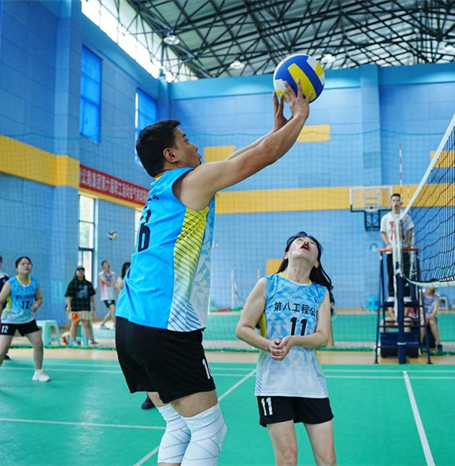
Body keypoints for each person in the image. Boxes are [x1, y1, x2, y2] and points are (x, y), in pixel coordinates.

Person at [115, 80, 311, 466]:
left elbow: (242, 156)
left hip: (130, 325)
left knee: (178, 426)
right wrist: (300, 116)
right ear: (171, 154)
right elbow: (265, 156)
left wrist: (275, 130)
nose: (194, 144)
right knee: (209, 431)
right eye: (186, 140)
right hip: (165, 326)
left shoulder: (162, 189)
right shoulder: (191, 181)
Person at [235, 232, 336, 466]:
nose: (305, 242)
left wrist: (294, 341)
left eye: (312, 243)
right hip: (274, 383)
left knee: (328, 460)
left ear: (317, 262)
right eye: (299, 241)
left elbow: (323, 337)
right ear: (286, 254)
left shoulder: (320, 292)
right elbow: (242, 328)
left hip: (311, 383)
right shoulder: (268, 284)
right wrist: (268, 344)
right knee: (288, 459)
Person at [0, 257, 50, 389]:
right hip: (9, 319)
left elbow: (39, 298)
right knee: (3, 349)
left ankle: (38, 372)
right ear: (17, 268)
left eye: (28, 264)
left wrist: (36, 305)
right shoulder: (11, 283)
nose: (26, 266)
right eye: (23, 264)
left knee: (38, 344)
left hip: (27, 319)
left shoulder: (35, 283)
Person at [379, 193, 415, 302]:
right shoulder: (385, 218)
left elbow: (410, 230)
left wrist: (408, 243)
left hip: (403, 250)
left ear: (401, 203)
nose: (395, 203)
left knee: (405, 273)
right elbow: (383, 232)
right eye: (393, 200)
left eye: (397, 200)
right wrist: (388, 244)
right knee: (391, 273)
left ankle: (406, 295)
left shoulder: (406, 216)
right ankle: (391, 295)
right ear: (390, 203)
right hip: (391, 252)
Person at [65, 267, 99, 346]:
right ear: (76, 272)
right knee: (74, 324)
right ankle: (73, 340)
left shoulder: (88, 284)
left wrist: (94, 305)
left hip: (85, 307)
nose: (80, 272)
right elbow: (68, 296)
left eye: (82, 271)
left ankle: (91, 340)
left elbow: (92, 296)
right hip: (75, 308)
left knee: (86, 324)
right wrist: (69, 306)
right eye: (79, 271)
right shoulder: (72, 283)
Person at [420, 287, 442, 352]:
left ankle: (438, 343)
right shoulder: (421, 293)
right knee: (423, 322)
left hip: (432, 316)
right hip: (422, 315)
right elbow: (420, 306)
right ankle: (420, 343)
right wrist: (425, 315)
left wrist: (431, 316)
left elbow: (435, 309)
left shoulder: (437, 296)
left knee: (432, 322)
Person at [99, 261, 118, 329]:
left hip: (112, 296)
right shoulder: (101, 274)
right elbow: (105, 281)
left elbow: (115, 283)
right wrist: (112, 285)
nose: (107, 265)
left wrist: (116, 286)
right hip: (105, 296)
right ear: (103, 266)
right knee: (112, 308)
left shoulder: (113, 273)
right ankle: (115, 324)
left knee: (111, 311)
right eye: (105, 264)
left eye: (108, 263)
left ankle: (102, 324)